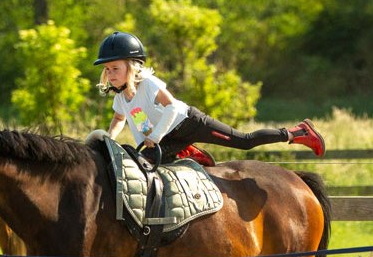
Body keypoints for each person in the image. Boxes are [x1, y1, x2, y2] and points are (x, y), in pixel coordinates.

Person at [93, 31, 325, 165]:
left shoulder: (149, 84)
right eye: (108, 70)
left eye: (115, 68)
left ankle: (297, 133)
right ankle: (190, 155)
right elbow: (118, 118)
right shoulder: (121, 98)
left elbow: (172, 108)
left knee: (243, 141)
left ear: (132, 67)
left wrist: (155, 135)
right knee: (146, 164)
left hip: (189, 124)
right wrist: (109, 137)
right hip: (165, 140)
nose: (110, 74)